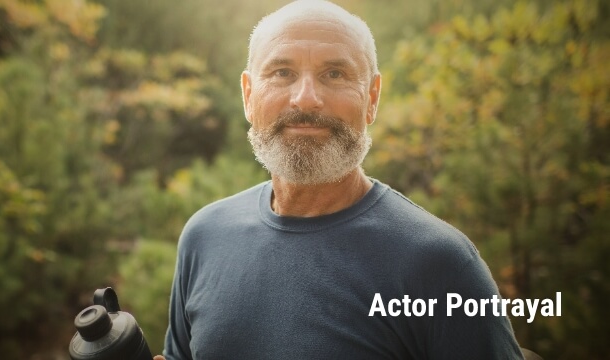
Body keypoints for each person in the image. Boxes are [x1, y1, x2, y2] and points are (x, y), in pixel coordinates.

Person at [156, 0, 525, 359]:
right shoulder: (204, 237)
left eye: (335, 74)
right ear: (248, 95)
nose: (305, 99)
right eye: (282, 73)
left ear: (372, 98)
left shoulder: (438, 265)